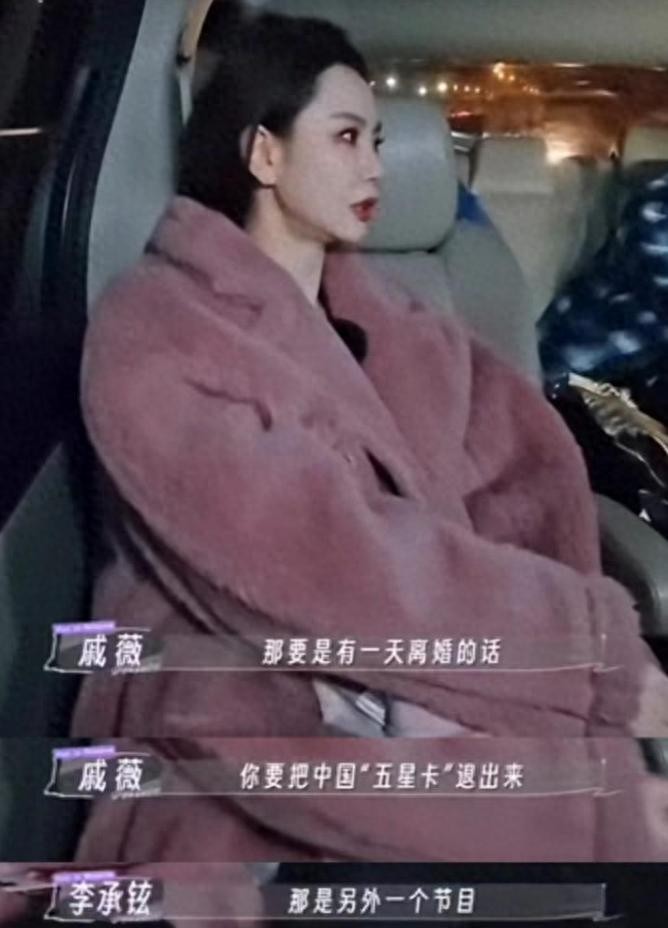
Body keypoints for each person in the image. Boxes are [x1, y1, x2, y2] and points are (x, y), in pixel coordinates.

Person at [63, 9, 668, 862]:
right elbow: (302, 551)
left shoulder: (414, 332)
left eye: (378, 141)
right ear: (263, 153)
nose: (376, 166)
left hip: (426, 663)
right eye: (346, 137)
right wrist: (581, 658)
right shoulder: (157, 328)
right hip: (234, 677)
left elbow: (527, 490)